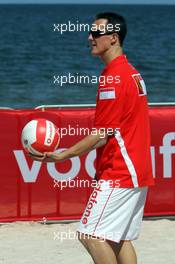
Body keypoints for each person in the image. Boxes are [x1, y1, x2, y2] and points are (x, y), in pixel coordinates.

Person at [30, 12, 154, 264]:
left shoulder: (113, 77)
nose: (89, 37)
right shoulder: (131, 72)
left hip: (119, 170)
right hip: (138, 169)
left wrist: (62, 155)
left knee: (90, 234)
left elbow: (101, 135)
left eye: (96, 33)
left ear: (113, 38)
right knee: (116, 238)